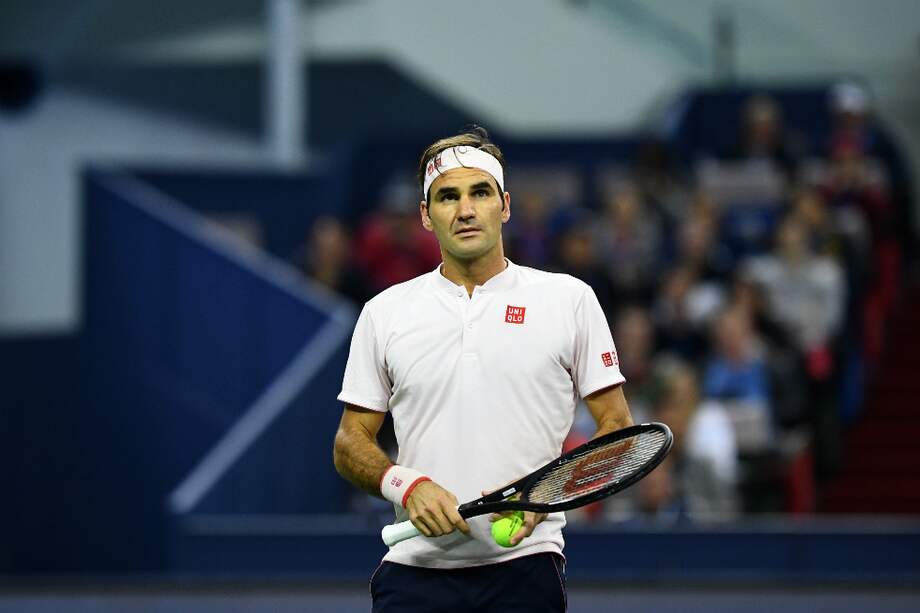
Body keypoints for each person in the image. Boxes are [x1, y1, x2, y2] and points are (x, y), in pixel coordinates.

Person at [333, 126, 634, 612]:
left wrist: (543, 499)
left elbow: (617, 427)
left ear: (505, 205)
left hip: (525, 568)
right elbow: (350, 443)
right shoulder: (383, 312)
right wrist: (407, 486)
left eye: (480, 192)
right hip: (413, 574)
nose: (466, 209)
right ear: (426, 217)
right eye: (448, 197)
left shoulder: (569, 300)